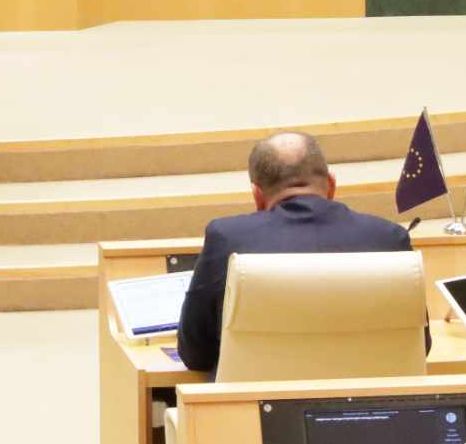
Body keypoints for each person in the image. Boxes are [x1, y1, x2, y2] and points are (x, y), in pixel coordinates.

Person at [175, 131, 422, 374]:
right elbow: (420, 345)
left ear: (257, 196)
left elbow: (195, 354)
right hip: (371, 399)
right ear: (331, 185)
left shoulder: (228, 238)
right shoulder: (389, 238)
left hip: (258, 400)